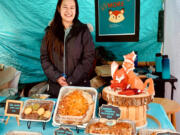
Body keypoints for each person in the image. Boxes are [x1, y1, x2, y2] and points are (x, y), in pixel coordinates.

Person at [40, 0, 95, 98]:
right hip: (56, 89)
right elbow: (44, 57)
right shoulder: (50, 32)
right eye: (65, 7)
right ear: (58, 8)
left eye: (72, 7)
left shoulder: (83, 31)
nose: (68, 11)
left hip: (79, 87)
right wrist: (56, 77)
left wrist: (71, 80)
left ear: (76, 10)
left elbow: (89, 58)